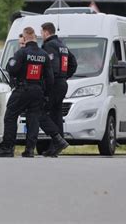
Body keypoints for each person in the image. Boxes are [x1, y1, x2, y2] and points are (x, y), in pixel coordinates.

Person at [0, 27, 68, 158]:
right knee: (34, 119)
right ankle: (30, 149)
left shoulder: (22, 53)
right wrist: (46, 94)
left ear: (25, 38)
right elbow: (50, 78)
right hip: (38, 91)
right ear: (35, 38)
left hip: (22, 89)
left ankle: (8, 148)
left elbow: (12, 69)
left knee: (10, 116)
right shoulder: (43, 55)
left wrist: (11, 63)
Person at [41, 22, 77, 157]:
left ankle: (57, 140)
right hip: (62, 83)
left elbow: (52, 68)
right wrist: (65, 76)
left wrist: (48, 84)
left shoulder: (49, 45)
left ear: (46, 32)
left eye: (41, 32)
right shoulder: (62, 45)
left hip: (54, 84)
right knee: (56, 114)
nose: (41, 35)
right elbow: (73, 63)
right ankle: (55, 146)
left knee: (41, 112)